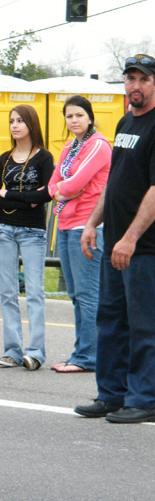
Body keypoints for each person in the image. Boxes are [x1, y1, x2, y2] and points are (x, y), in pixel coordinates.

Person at [74, 54, 155, 424]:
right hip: (115, 242)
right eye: (130, 79)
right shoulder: (125, 122)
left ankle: (144, 398)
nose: (135, 86)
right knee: (110, 319)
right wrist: (93, 223)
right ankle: (111, 394)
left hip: (144, 248)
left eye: (143, 80)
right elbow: (114, 181)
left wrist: (131, 237)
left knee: (143, 324)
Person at [47, 96, 111, 374]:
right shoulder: (72, 147)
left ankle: (88, 357)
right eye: (69, 116)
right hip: (65, 223)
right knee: (75, 293)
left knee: (87, 295)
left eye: (79, 116)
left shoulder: (98, 145)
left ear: (90, 117)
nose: (74, 121)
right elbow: (54, 183)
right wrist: (60, 189)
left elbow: (75, 183)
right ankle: (81, 352)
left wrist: (64, 189)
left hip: (87, 226)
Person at [0, 105, 54, 371]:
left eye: (20, 121)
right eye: (12, 121)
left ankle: (35, 352)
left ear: (31, 124)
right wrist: (27, 199)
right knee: (8, 293)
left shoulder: (44, 158)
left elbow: (45, 195)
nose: (15, 125)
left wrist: (10, 195)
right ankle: (12, 351)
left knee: (35, 293)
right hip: (4, 230)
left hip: (32, 232)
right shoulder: (4, 158)